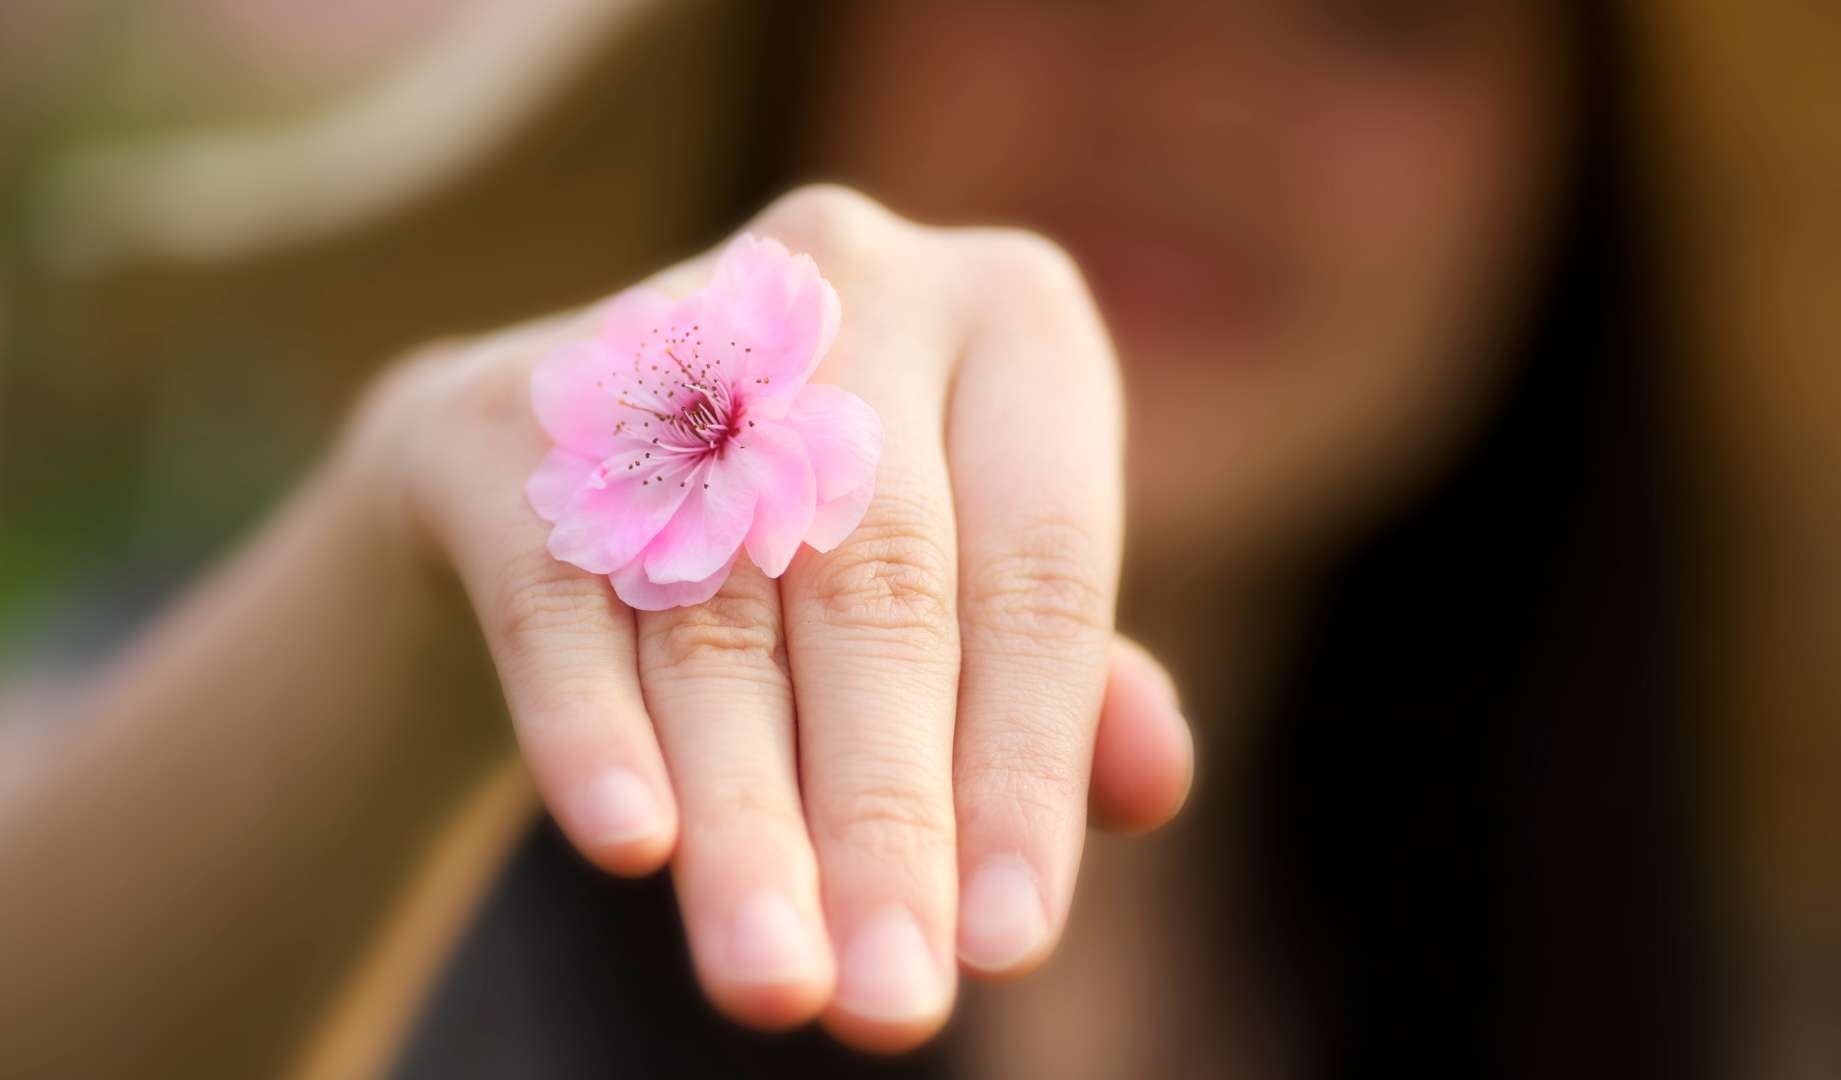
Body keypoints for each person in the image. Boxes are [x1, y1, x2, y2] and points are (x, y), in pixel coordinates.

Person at [2, 2, 1714, 1077]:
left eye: (1383, 12)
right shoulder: (288, 717)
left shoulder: (1706, 977)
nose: (1196, 88)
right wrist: (392, 620)